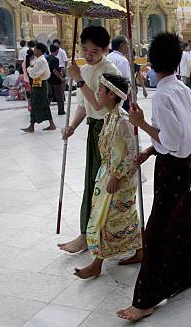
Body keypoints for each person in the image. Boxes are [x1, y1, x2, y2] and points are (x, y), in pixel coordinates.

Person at [117, 32, 191, 322]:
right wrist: (151, 150)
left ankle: (146, 299)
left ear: (152, 63)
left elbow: (174, 138)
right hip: (185, 163)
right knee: (181, 217)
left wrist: (141, 124)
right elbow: (183, 134)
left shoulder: (163, 95)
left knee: (155, 231)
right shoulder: (182, 89)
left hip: (173, 167)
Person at [58, 26, 121, 253]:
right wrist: (72, 126)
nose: (88, 55)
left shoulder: (110, 71)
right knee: (91, 181)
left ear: (105, 49)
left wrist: (79, 81)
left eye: (94, 51)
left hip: (109, 131)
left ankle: (99, 233)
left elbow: (98, 105)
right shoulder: (83, 70)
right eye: (85, 49)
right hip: (93, 128)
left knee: (103, 184)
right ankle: (87, 233)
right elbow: (84, 107)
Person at [74, 73, 142, 279]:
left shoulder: (123, 120)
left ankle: (97, 263)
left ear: (112, 94)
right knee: (122, 217)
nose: (97, 93)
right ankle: (140, 250)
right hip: (108, 175)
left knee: (108, 219)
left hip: (120, 180)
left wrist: (117, 175)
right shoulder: (109, 117)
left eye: (101, 90)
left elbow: (134, 151)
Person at [22, 43, 56, 132]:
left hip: (40, 84)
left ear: (39, 50)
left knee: (35, 103)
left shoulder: (41, 61)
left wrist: (29, 68)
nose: (34, 50)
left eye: (35, 49)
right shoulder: (39, 60)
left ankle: (31, 126)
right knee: (42, 103)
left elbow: (33, 73)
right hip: (39, 83)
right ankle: (51, 124)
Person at [47, 44, 66, 115]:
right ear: (56, 50)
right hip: (56, 81)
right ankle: (61, 111)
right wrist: (61, 78)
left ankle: (45, 110)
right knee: (59, 96)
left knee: (49, 96)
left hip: (48, 79)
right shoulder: (55, 59)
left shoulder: (47, 58)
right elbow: (55, 70)